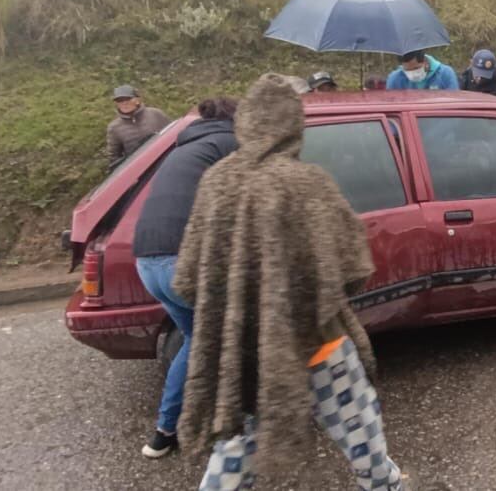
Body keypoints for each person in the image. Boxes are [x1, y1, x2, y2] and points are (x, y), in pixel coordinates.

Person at [173, 74, 403, 490]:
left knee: (239, 441)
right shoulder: (306, 182)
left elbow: (189, 279)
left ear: (246, 121)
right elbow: (354, 266)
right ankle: (385, 484)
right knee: (360, 431)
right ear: (293, 124)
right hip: (320, 345)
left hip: (247, 351)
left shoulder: (216, 181)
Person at [132, 97, 239, 459]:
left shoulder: (185, 148)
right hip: (181, 262)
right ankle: (238, 432)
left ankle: (163, 433)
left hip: (147, 262)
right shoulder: (229, 143)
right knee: (241, 333)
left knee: (197, 339)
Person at [107, 85, 171, 171]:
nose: (124, 103)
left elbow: (173, 135)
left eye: (128, 99)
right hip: (141, 172)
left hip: (167, 163)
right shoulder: (114, 127)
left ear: (137, 100)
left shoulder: (156, 114)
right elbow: (114, 158)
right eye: (119, 100)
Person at [385, 50, 459, 90]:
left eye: (416, 68)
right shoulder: (394, 79)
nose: (412, 73)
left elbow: (454, 106)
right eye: (407, 70)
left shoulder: (445, 74)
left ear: (425, 61)